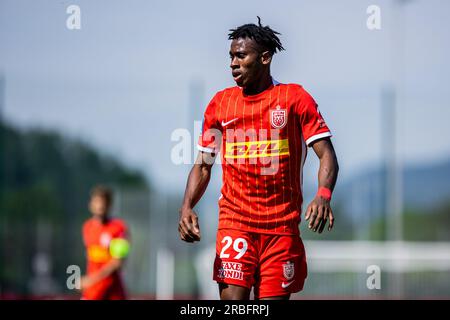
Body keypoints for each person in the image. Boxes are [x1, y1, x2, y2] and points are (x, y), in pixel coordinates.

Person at [178, 17, 339, 300]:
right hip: (235, 223)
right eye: (230, 56)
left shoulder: (294, 98)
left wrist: (323, 195)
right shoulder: (220, 104)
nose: (232, 63)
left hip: (281, 229)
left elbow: (327, 154)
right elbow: (203, 165)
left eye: (241, 56)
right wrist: (187, 206)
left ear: (265, 57)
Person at [80, 185, 130, 300]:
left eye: (103, 202)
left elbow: (118, 262)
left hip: (113, 291)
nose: (100, 205)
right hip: (93, 291)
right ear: (90, 204)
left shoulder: (118, 228)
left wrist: (90, 280)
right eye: (97, 201)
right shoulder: (87, 227)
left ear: (109, 205)